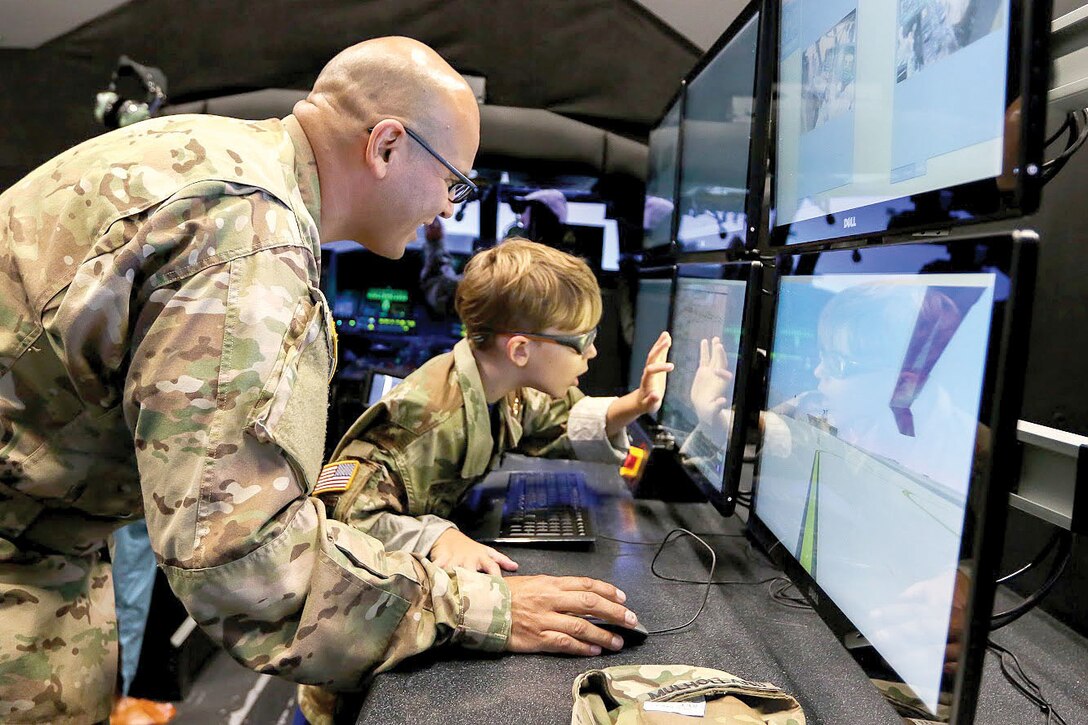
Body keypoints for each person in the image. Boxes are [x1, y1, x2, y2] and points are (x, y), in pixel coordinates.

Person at [0, 37, 636, 725]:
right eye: (453, 180)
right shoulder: (249, 242)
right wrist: (481, 606)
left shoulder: (224, 157)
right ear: (387, 146)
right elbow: (245, 564)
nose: (449, 208)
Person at [298, 238, 671, 724]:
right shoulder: (426, 419)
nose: (593, 352)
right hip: (354, 652)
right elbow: (336, 521)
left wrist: (635, 405)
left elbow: (552, 418)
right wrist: (438, 534)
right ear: (521, 349)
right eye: (582, 341)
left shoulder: (499, 386)